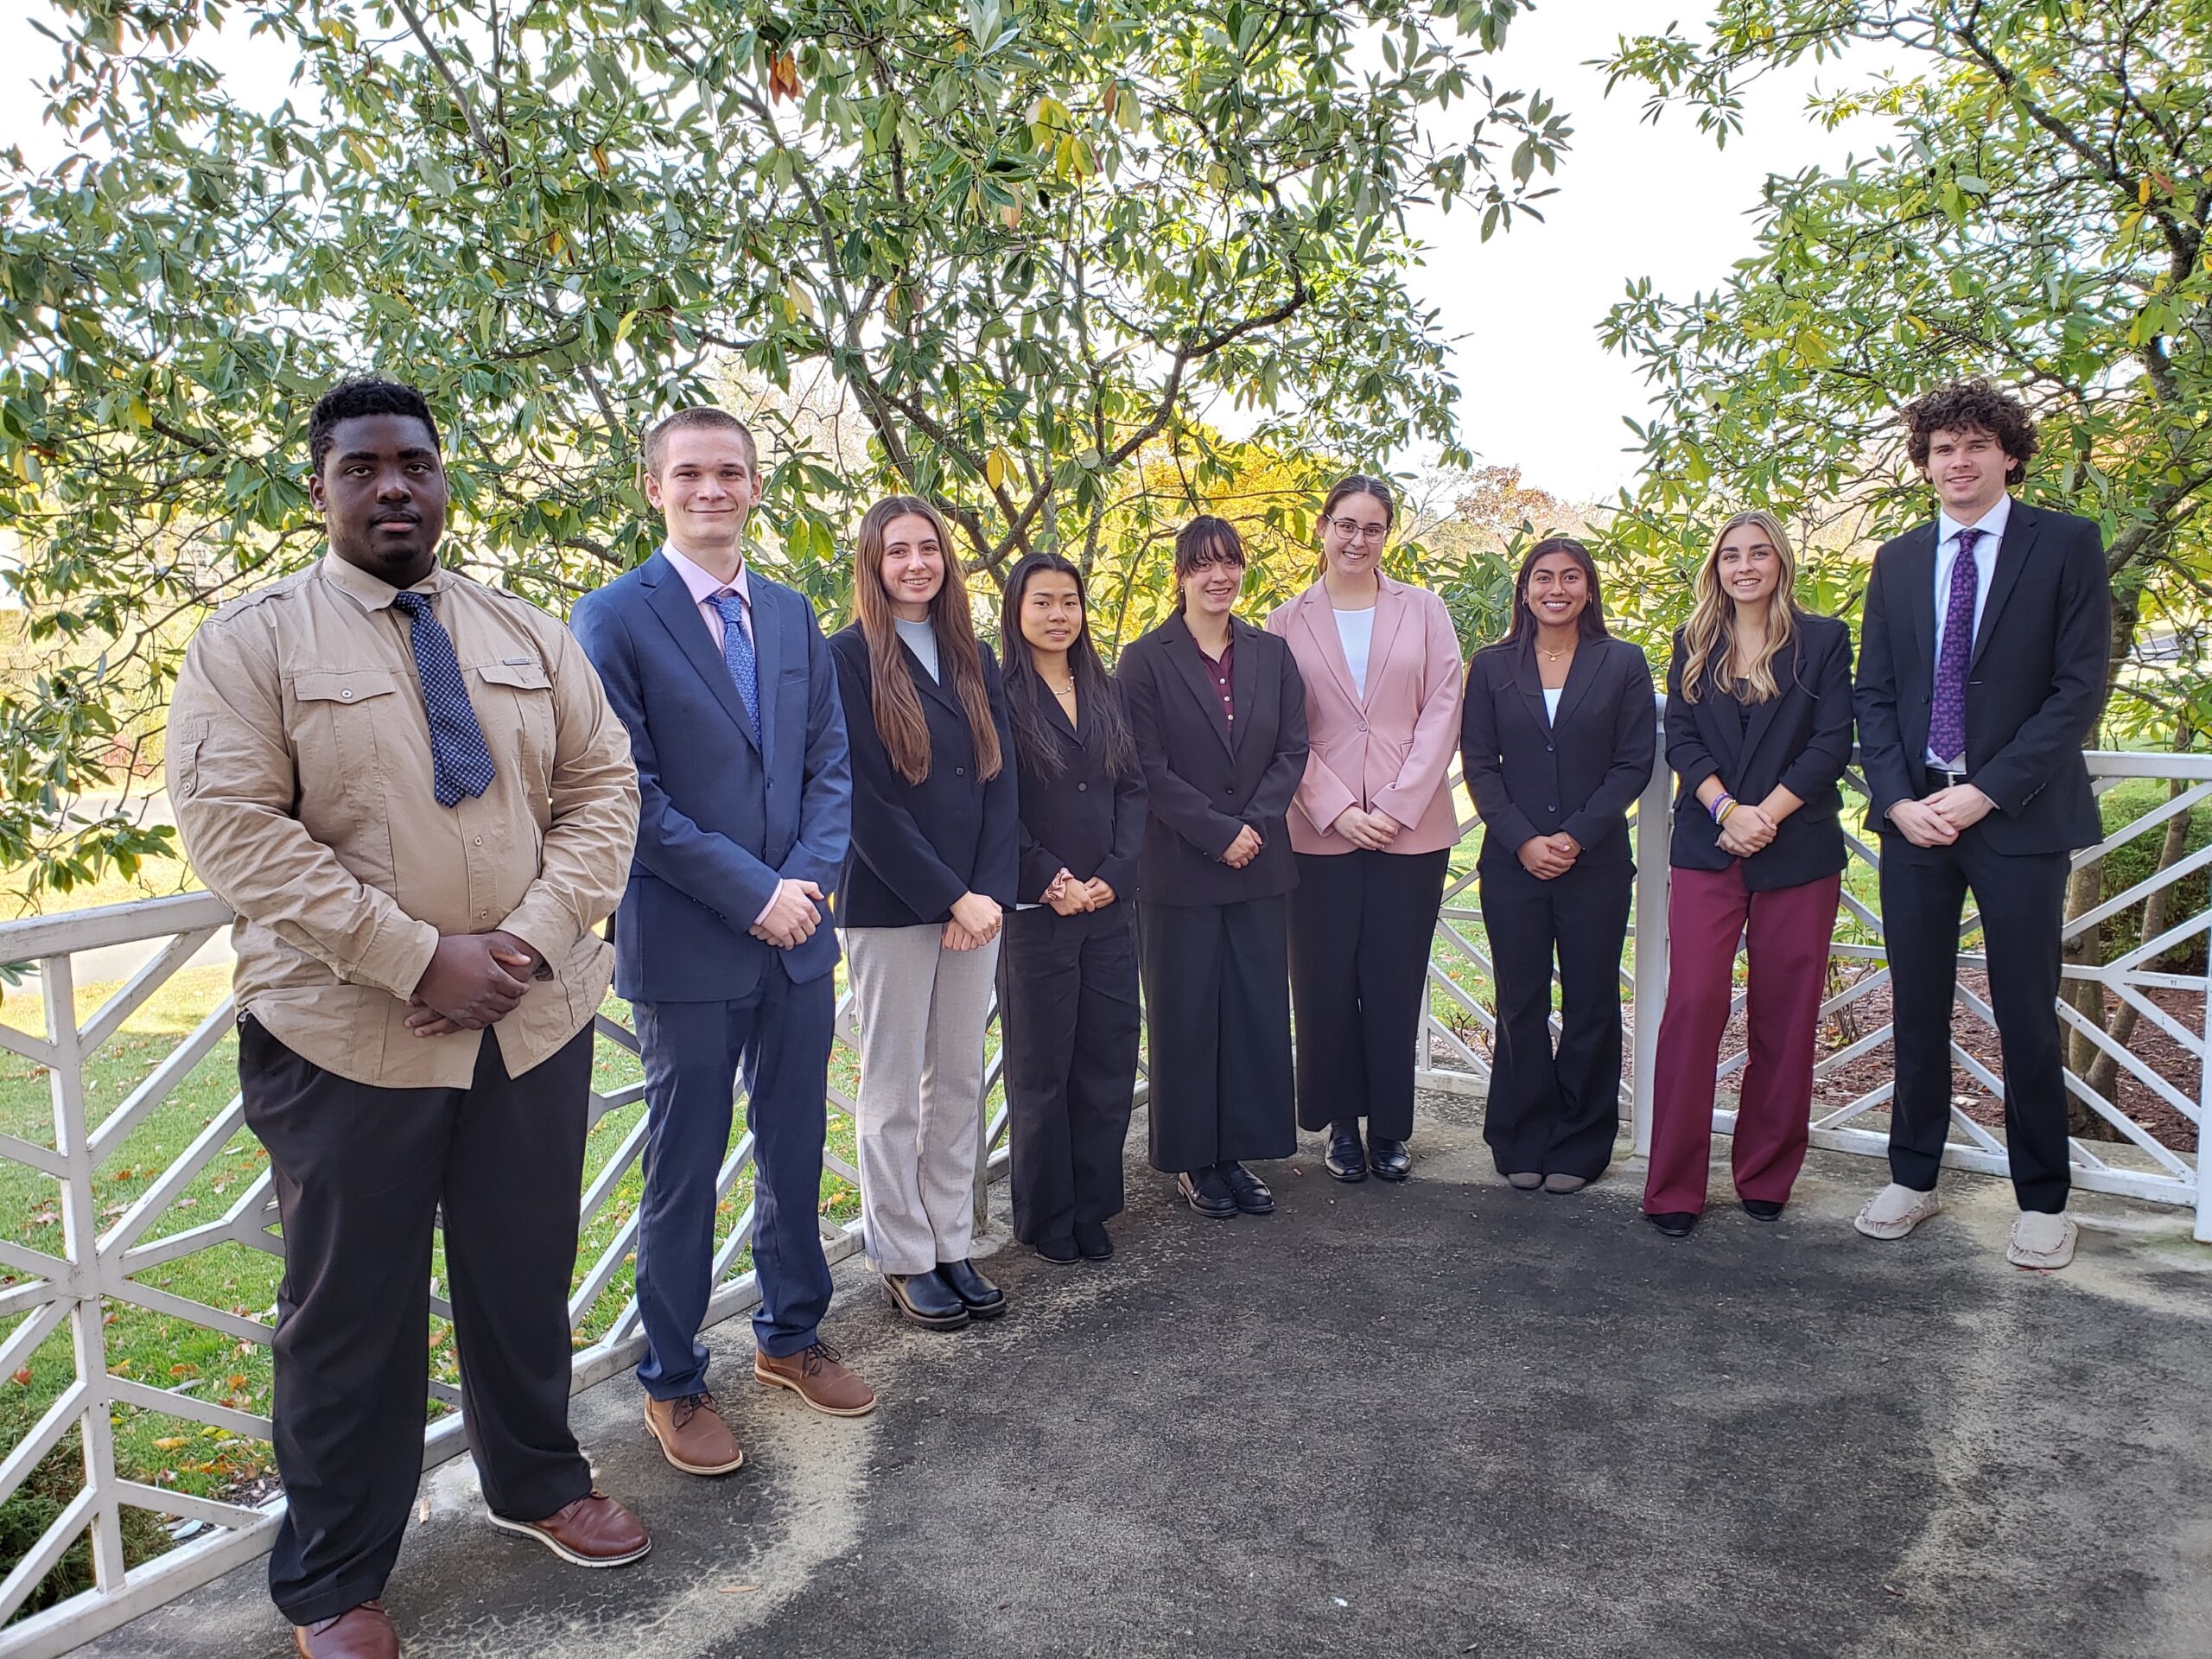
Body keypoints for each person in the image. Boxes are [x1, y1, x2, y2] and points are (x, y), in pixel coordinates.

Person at [168, 378, 647, 1659]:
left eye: (415, 465)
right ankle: (335, 1577)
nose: (393, 486)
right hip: (349, 1037)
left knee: (522, 1272)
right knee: (350, 1314)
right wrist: (415, 955)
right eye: (362, 467)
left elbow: (606, 786)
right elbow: (232, 830)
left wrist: (531, 943)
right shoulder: (253, 644)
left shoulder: (525, 632)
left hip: (531, 1023)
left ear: (445, 480)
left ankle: (538, 1483)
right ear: (320, 486)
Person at [571, 406, 876, 1485]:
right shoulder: (610, 619)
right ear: (653, 486)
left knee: (794, 1152)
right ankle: (671, 1377)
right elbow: (627, 794)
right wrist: (756, 893)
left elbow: (831, 767)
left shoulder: (791, 616)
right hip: (691, 942)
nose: (713, 489)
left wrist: (804, 885)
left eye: (731, 472)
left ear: (756, 485)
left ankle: (791, 1338)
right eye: (690, 473)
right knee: (684, 1169)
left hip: (799, 939)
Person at [1852, 378, 2110, 1270]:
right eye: (1939, 450)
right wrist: (1894, 798)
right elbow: (1874, 693)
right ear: (1923, 464)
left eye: (1973, 447)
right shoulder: (1897, 558)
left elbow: (2077, 688)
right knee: (1915, 1005)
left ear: (2008, 454)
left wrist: (1986, 790)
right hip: (1914, 817)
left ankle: (2041, 1197)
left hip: (2018, 817)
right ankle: (1912, 1176)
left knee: (2025, 1012)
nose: (1955, 463)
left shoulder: (2066, 545)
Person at [828, 497, 1020, 1328]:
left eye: (929, 549)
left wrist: (982, 895)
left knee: (960, 1083)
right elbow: (866, 801)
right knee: (894, 1087)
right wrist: (948, 894)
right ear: (873, 563)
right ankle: (902, 1255)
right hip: (891, 903)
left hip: (976, 905)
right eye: (897, 550)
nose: (916, 563)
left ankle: (951, 1239)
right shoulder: (844, 657)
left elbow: (1002, 784)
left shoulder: (971, 654)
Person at [1641, 512, 1854, 1238]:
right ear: (1717, 569)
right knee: (1694, 1005)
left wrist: (1768, 814)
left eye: (1759, 552)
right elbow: (1685, 743)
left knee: (1785, 1013)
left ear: (1780, 562)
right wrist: (1729, 810)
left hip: (1798, 850)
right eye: (1731, 555)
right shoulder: (1692, 642)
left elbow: (1832, 743)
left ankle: (1766, 1173)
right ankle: (1673, 1184)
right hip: (1708, 844)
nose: (1745, 566)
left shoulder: (1822, 640)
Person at [1267, 474, 1464, 1184]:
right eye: (1346, 525)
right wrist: (1335, 807)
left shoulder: (1426, 610)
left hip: (1409, 831)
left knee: (1393, 977)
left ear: (1388, 536)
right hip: (1317, 830)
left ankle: (1390, 1127)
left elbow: (1444, 708)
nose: (1358, 539)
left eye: (1373, 528)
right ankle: (1339, 1124)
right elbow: (1280, 726)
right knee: (1322, 979)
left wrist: (1396, 803)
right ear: (1322, 528)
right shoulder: (1286, 620)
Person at [1118, 516, 1309, 1219]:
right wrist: (1214, 832)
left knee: (1255, 1014)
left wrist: (1251, 828)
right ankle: (1195, 1162)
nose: (1219, 576)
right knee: (1187, 1016)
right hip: (1177, 871)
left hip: (1259, 865)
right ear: (1182, 574)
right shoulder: (1145, 659)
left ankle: (1239, 1155)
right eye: (1203, 565)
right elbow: (1145, 766)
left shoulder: (1272, 653)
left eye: (1230, 563)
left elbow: (1293, 748)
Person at [1459, 537, 1656, 1194]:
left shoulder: (1622, 662)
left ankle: (1581, 1139)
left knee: (1592, 1001)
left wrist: (1573, 836)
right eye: (1544, 577)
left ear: (1589, 589)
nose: (1557, 588)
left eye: (1572, 577)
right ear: (1524, 589)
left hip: (1594, 863)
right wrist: (1522, 840)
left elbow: (1633, 762)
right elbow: (1480, 764)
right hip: (1512, 864)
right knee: (1519, 1002)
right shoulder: (1490, 666)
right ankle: (1519, 1132)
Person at [995, 552, 1147, 1263]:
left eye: (1069, 602)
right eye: (1042, 603)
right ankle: (1047, 1216)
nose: (1059, 616)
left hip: (1109, 909)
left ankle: (1094, 1205)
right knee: (1042, 1065)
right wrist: (1053, 880)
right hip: (1038, 911)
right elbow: (995, 808)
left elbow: (1133, 791)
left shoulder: (1106, 690)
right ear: (1016, 612)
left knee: (1107, 1058)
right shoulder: (996, 695)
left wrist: (1116, 874)